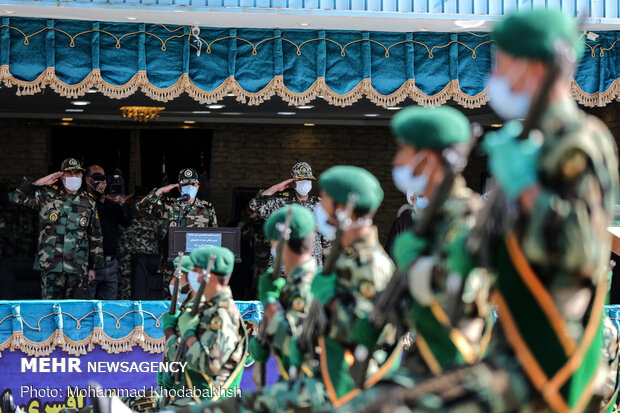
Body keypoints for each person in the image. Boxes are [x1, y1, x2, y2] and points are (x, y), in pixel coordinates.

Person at [358, 10, 620, 412]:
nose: (494, 73)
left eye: (502, 62)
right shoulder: (526, 142)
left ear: (534, 67)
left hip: (552, 354)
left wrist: (525, 187)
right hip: (510, 349)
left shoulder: (579, 142)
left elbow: (582, 251)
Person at [151, 166, 398, 413]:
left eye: (328, 201)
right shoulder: (344, 262)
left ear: (343, 208)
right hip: (313, 386)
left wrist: (274, 309)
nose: (320, 208)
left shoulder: (366, 266)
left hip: (339, 393)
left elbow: (349, 340)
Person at [337, 106, 494, 411]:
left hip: (457, 375)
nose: (396, 162)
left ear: (428, 159)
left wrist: (420, 270)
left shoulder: (469, 222)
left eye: (404, 152)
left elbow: (463, 308)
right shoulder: (428, 223)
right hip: (423, 366)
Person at [7, 158, 104, 299]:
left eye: (77, 173)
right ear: (61, 176)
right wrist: (39, 183)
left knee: (75, 310)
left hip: (78, 266)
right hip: (51, 264)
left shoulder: (88, 202)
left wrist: (93, 268)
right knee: (49, 310)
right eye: (69, 174)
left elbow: (95, 235)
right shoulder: (46, 196)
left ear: (82, 176)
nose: (74, 177)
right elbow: (15, 197)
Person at [249, 204, 318, 381]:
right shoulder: (297, 281)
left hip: (306, 387)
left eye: (272, 242)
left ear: (280, 245)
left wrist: (270, 303)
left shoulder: (305, 286)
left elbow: (294, 344)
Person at [143, 168, 217, 296]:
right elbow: (142, 208)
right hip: (171, 267)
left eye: (192, 184)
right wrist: (161, 191)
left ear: (198, 187)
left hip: (197, 267)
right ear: (179, 188)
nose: (189, 187)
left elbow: (215, 237)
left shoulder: (207, 209)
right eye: (185, 184)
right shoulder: (168, 206)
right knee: (170, 304)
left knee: (195, 304)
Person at [249, 162, 330, 269]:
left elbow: (328, 242)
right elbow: (255, 206)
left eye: (308, 180)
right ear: (293, 183)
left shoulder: (320, 205)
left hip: (311, 267)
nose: (305, 184)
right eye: (301, 181)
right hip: (283, 267)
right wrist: (275, 188)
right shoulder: (281, 202)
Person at [85, 165, 133, 300]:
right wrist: (99, 199)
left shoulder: (111, 203)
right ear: (88, 180)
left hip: (111, 263)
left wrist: (121, 203)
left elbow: (127, 221)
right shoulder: (84, 203)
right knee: (87, 309)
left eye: (104, 178)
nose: (102, 182)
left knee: (109, 309)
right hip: (90, 265)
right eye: (97, 178)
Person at [117, 186, 164, 300]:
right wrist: (127, 198)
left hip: (147, 268)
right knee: (125, 297)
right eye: (138, 199)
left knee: (147, 296)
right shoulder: (126, 217)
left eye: (145, 199)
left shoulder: (156, 219)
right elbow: (118, 206)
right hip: (127, 266)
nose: (142, 202)